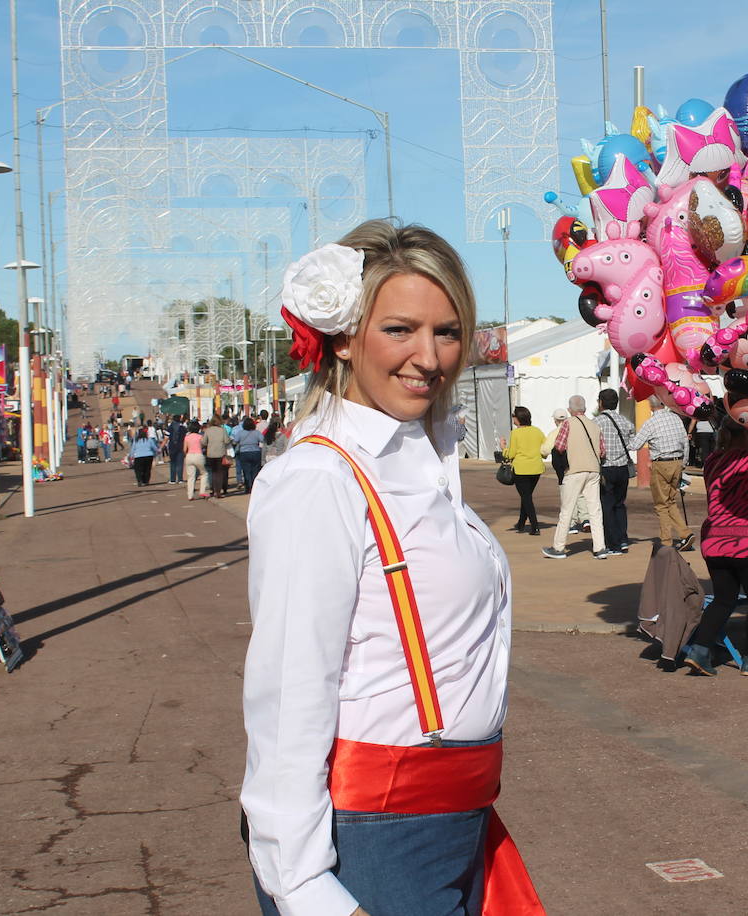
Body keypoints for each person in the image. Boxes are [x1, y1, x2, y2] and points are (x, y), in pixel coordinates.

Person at [242, 221, 541, 915]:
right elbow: (289, 693)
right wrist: (305, 886)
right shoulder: (320, 480)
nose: (429, 357)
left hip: (457, 822)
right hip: (376, 836)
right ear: (343, 337)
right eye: (401, 329)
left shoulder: (420, 461)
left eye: (447, 331)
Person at [683, 419, 748, 677]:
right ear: (741, 435)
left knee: (723, 599)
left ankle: (699, 651)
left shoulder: (712, 461)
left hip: (716, 541)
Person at [540, 395, 609, 559]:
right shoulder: (594, 425)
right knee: (595, 510)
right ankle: (600, 548)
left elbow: (559, 446)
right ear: (584, 409)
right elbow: (602, 451)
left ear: (570, 409)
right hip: (593, 470)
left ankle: (558, 548)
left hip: (575, 470)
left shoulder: (567, 424)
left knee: (567, 510)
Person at [632, 399, 695, 551]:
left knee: (661, 504)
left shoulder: (651, 422)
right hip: (677, 462)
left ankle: (666, 540)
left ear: (650, 406)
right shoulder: (675, 418)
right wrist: (684, 463)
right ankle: (685, 533)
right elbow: (685, 442)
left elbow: (635, 445)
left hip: (661, 463)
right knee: (670, 501)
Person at [593, 388, 634, 553]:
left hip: (606, 467)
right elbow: (632, 435)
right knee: (620, 504)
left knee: (607, 506)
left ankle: (613, 543)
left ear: (601, 403)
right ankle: (623, 538)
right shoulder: (624, 421)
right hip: (623, 467)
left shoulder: (596, 422)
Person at [501, 405, 546, 536]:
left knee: (526, 497)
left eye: (513, 416)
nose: (513, 419)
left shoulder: (515, 433)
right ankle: (521, 523)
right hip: (536, 468)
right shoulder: (537, 431)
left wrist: (503, 448)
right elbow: (545, 448)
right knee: (526, 496)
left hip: (521, 469)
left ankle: (535, 525)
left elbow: (511, 454)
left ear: (518, 418)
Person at [232, 415, 265, 494]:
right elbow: (262, 440)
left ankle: (248, 487)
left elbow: (234, 441)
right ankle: (254, 486)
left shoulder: (241, 433)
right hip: (255, 452)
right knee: (255, 470)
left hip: (244, 452)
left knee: (246, 471)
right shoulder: (257, 433)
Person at [202, 413, 230, 499]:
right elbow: (227, 441)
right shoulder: (222, 430)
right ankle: (218, 491)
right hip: (220, 453)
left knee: (213, 472)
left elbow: (204, 442)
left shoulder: (208, 430)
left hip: (210, 454)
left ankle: (213, 489)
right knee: (219, 473)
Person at [184, 420, 209, 500]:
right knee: (204, 473)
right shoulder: (200, 437)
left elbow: (184, 449)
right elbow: (204, 446)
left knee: (191, 476)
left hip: (189, 456)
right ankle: (202, 491)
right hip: (199, 455)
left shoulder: (187, 437)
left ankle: (190, 495)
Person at [168, 415, 187, 484]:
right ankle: (180, 479)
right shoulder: (183, 428)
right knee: (180, 464)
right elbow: (186, 439)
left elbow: (166, 438)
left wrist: (161, 447)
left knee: (173, 463)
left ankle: (172, 479)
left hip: (172, 447)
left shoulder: (169, 428)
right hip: (181, 447)